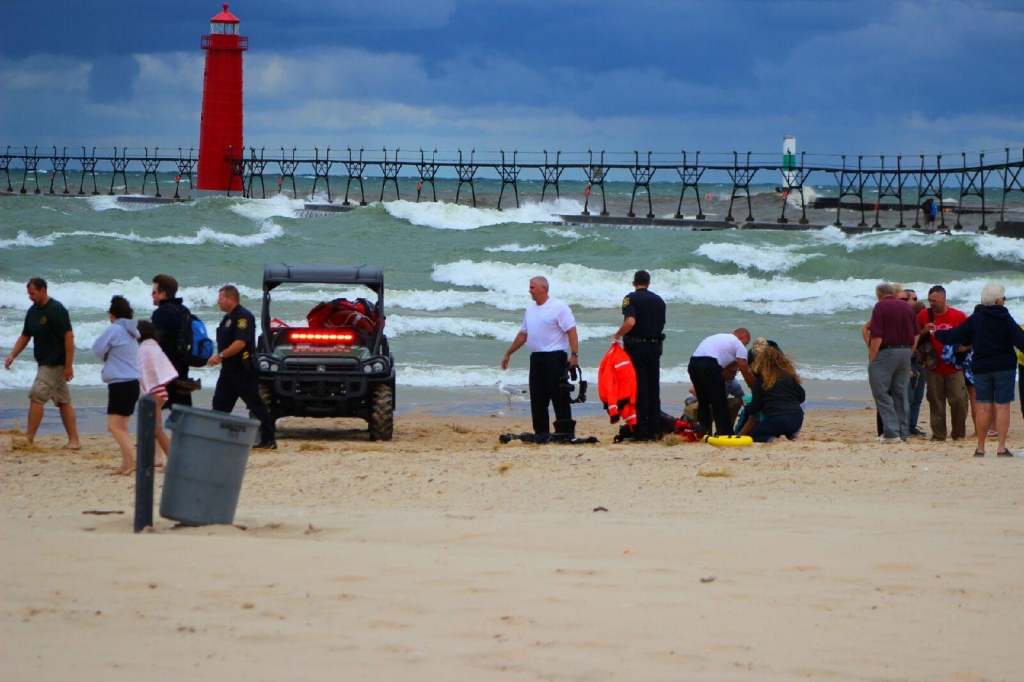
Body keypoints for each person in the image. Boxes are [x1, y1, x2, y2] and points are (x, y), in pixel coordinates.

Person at [932, 283, 1024, 457]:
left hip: (981, 367)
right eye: (1003, 298)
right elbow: (1020, 340)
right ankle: (1001, 448)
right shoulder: (1005, 317)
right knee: (1002, 407)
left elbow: (955, 335)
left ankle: (980, 448)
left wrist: (936, 333)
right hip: (1004, 367)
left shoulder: (976, 319)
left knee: (983, 407)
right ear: (998, 301)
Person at [3, 277, 81, 450]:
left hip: (55, 363)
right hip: (44, 362)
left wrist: (68, 366)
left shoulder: (56, 309)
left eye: (33, 293)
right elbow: (25, 335)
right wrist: (12, 355)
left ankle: (28, 439)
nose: (30, 297)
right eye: (29, 294)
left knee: (36, 396)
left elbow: (69, 337)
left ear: (43, 290)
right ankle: (74, 440)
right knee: (63, 401)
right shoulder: (32, 311)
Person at [502, 276, 580, 439]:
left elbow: (571, 330)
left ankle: (565, 431)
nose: (529, 290)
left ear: (543, 288)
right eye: (529, 287)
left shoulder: (558, 307)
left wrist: (574, 354)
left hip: (555, 358)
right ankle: (541, 433)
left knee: (559, 396)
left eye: (532, 287)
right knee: (538, 398)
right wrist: (509, 353)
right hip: (536, 359)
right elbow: (523, 334)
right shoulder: (530, 310)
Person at [208, 285, 277, 449]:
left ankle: (268, 439)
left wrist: (221, 356)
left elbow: (240, 343)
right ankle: (214, 438)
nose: (218, 301)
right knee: (220, 405)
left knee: (256, 405)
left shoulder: (243, 317)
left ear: (231, 299)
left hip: (243, 370)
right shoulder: (227, 318)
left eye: (221, 298)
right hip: (229, 371)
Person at [612, 270, 667, 441]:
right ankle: (654, 429)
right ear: (649, 283)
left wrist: (617, 335)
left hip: (637, 347)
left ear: (634, 283)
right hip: (655, 346)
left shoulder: (631, 298)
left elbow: (630, 322)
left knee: (640, 388)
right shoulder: (659, 300)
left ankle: (641, 431)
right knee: (653, 388)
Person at [91, 296, 141, 475]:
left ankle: (134, 459)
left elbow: (97, 348)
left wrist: (108, 354)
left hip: (121, 383)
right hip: (133, 382)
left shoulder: (115, 329)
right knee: (122, 426)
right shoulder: (132, 331)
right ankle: (126, 463)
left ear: (112, 315)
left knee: (114, 426)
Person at [867, 283, 920, 442]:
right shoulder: (907, 307)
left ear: (879, 295)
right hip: (905, 352)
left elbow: (877, 335)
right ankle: (902, 433)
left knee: (880, 392)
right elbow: (916, 334)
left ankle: (891, 431)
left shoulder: (880, 306)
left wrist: (872, 357)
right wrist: (909, 352)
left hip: (886, 351)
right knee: (901, 393)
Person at [917, 285, 968, 441]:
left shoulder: (958, 316)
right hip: (933, 366)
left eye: (934, 300)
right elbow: (912, 339)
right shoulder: (923, 315)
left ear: (943, 298)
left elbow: (973, 336)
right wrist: (923, 331)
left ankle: (958, 434)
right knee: (936, 401)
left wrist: (964, 348)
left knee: (959, 400)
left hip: (954, 367)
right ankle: (939, 435)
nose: (931, 303)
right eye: (929, 300)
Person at [688, 329, 756, 437]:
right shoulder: (738, 344)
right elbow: (745, 369)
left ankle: (705, 433)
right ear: (743, 336)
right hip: (709, 365)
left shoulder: (718, 337)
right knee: (720, 402)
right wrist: (755, 388)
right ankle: (725, 433)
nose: (745, 346)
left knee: (703, 402)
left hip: (693, 364)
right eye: (746, 343)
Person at [738, 344, 805, 442]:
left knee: (757, 435)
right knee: (785, 430)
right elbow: (802, 397)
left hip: (776, 418)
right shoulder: (789, 376)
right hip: (797, 419)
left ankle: (775, 439)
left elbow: (756, 407)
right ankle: (792, 436)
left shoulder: (761, 380)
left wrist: (746, 407)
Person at [136, 320, 178, 464]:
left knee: (156, 429)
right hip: (160, 390)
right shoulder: (153, 346)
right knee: (155, 426)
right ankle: (157, 457)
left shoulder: (144, 349)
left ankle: (174, 461)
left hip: (154, 392)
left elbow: (142, 373)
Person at [151, 274, 193, 410]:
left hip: (166, 371)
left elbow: (157, 343)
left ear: (163, 295)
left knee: (153, 408)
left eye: (154, 292)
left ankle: (154, 432)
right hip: (183, 367)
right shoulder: (184, 310)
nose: (152, 295)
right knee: (183, 412)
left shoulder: (161, 313)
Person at [907, 300, 928, 437]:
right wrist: (923, 332)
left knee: (917, 397)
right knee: (910, 397)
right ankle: (907, 426)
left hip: (921, 363)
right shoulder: (910, 326)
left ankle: (911, 426)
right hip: (912, 362)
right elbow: (912, 344)